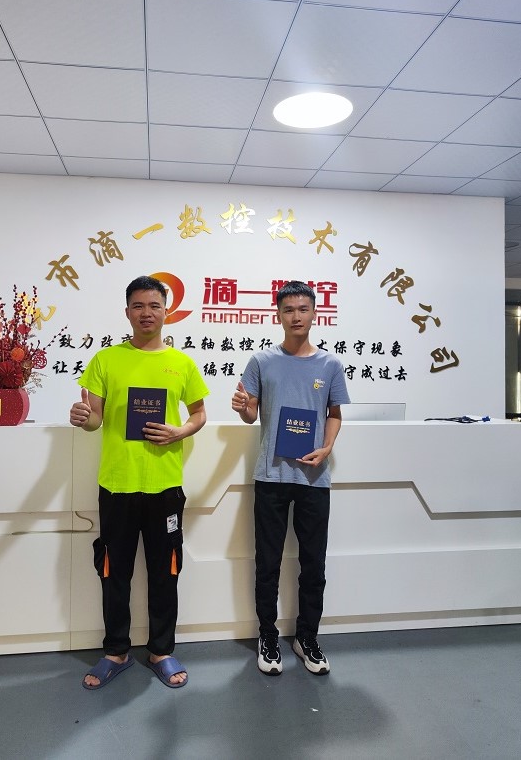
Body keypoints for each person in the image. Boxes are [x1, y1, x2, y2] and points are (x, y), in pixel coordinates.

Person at [70, 275, 209, 690]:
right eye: (138, 306)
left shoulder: (182, 363)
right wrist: (84, 419)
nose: (146, 313)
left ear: (167, 311)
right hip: (117, 485)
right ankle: (116, 651)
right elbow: (95, 418)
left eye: (154, 305)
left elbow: (199, 414)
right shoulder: (105, 360)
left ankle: (161, 651)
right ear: (127, 311)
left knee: (166, 571)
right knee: (114, 571)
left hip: (165, 486)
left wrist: (179, 432)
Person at [231, 280, 350, 676]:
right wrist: (244, 407)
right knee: (267, 563)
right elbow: (250, 414)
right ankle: (267, 635)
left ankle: (306, 637)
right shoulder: (262, 361)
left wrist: (327, 448)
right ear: (278, 315)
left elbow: (335, 414)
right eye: (288, 310)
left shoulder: (330, 365)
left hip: (314, 478)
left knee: (314, 564)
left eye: (303, 309)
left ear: (315, 313)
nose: (296, 316)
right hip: (271, 476)